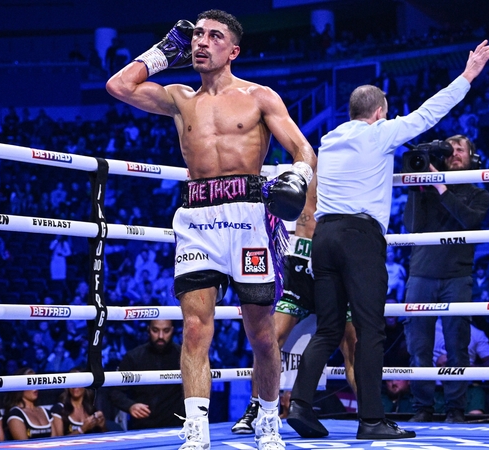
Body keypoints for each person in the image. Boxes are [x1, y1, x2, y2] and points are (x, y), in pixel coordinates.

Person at [106, 9, 316, 450]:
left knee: (261, 333)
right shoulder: (180, 98)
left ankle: (269, 422)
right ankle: (196, 433)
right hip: (198, 218)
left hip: (248, 220)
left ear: (233, 50)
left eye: (213, 36)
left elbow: (303, 148)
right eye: (197, 35)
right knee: (196, 328)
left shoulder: (260, 97)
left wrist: (298, 176)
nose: (201, 42)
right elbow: (119, 86)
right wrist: (164, 53)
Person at [287, 40, 489, 441]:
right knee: (370, 330)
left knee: (328, 329)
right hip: (358, 237)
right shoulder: (380, 134)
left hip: (324, 236)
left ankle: (299, 403)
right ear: (380, 112)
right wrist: (468, 75)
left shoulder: (329, 141)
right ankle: (371, 420)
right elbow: (430, 112)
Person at [231, 179, 358, 434]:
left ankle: (370, 414)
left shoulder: (354, 174)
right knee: (269, 339)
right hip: (300, 265)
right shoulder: (311, 168)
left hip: (333, 264)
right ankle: (255, 408)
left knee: (353, 346)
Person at [402, 135, 489, 424]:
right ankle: (423, 407)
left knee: (457, 346)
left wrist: (439, 186)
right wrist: (419, 186)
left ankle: (455, 408)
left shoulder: (479, 194)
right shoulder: (427, 189)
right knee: (419, 347)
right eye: (449, 150)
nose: (454, 154)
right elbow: (411, 226)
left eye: (460, 150)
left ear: (471, 158)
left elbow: (468, 220)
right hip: (421, 273)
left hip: (457, 275)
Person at [109, 320, 185, 430]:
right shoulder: (134, 357)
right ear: (148, 329)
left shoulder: (183, 356)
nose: (160, 336)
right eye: (155, 330)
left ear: (172, 330)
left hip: (177, 427)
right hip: (142, 427)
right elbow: (115, 391)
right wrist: (130, 406)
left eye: (166, 331)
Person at [52, 369, 119, 435]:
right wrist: (82, 429)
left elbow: (103, 438)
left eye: (79, 382)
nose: (75, 386)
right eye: (72, 382)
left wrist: (102, 427)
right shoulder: (59, 409)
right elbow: (59, 441)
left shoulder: (91, 410)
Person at [3, 368, 57, 440]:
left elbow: (55, 441)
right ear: (20, 386)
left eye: (36, 382)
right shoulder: (16, 414)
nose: (35, 387)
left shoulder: (46, 412)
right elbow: (24, 446)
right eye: (31, 383)